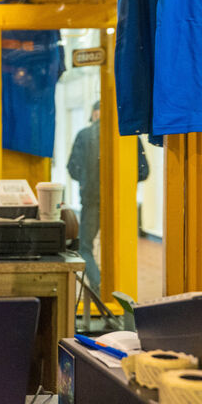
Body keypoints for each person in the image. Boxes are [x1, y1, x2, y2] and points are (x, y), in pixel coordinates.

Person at [66, 101, 148, 295]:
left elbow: (72, 167)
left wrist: (87, 181)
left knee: (84, 247)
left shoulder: (84, 135)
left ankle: (100, 284)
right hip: (121, 203)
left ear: (95, 114)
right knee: (121, 248)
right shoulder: (128, 136)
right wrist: (126, 183)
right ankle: (121, 291)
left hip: (91, 200)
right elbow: (143, 171)